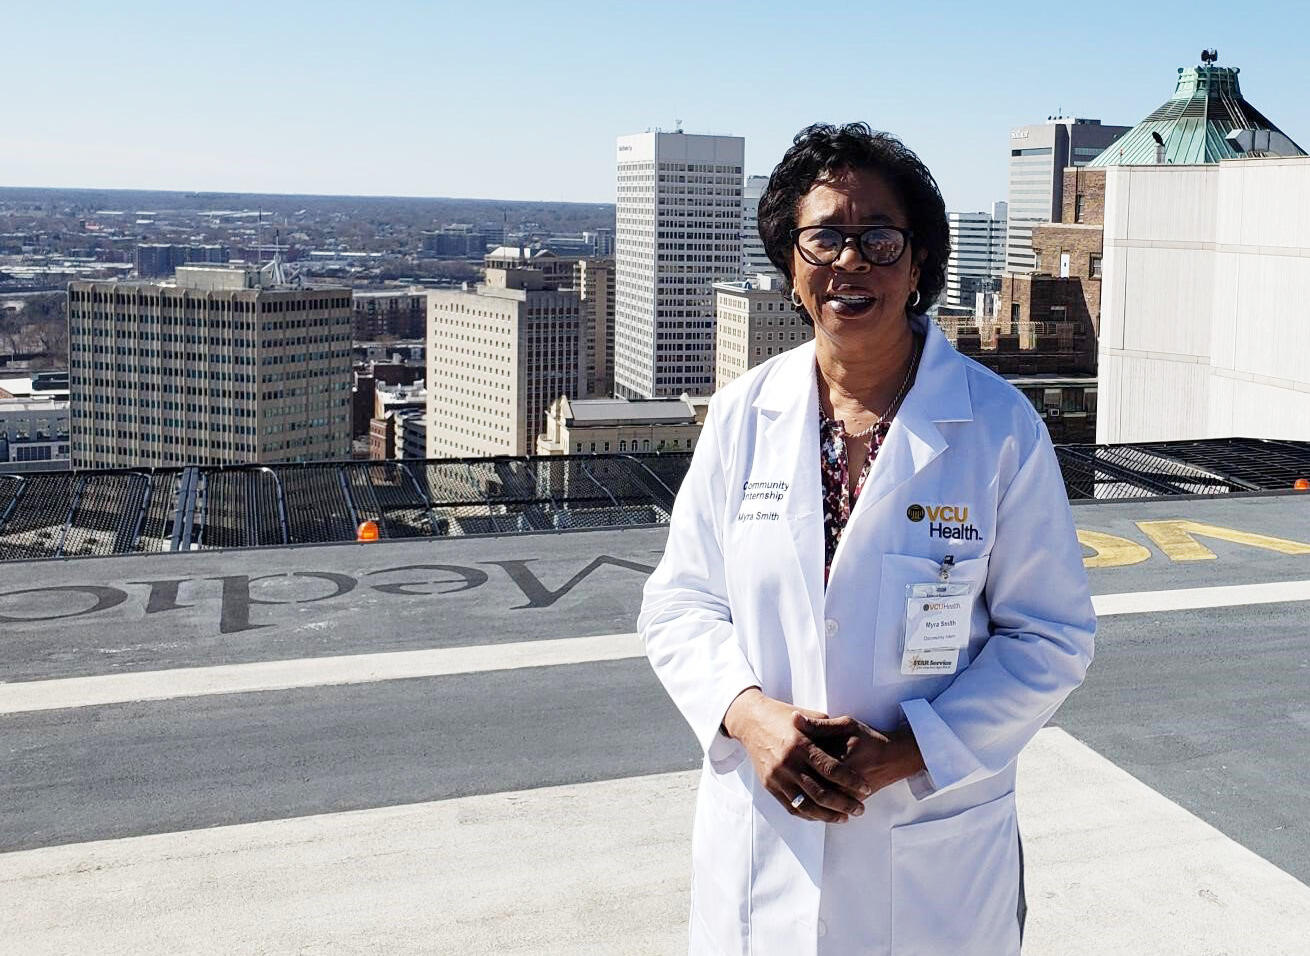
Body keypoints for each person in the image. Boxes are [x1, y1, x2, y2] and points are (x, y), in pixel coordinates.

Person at [639, 123, 1095, 956]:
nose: (852, 262)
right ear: (790, 263)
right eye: (825, 238)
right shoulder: (743, 415)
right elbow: (680, 604)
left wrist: (913, 750)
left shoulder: (996, 428)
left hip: (929, 852)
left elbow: (1052, 636)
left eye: (880, 240)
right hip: (763, 845)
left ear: (919, 264)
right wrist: (749, 718)